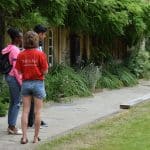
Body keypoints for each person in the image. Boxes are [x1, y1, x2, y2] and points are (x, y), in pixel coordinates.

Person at [15, 31, 48, 144]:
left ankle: (24, 137)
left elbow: (18, 71)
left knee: (25, 111)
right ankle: (35, 138)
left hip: (26, 83)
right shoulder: (40, 55)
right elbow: (45, 71)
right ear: (36, 41)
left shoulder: (21, 54)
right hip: (38, 83)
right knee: (37, 112)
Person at [2, 28, 23, 134]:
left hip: (9, 77)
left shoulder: (8, 48)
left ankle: (11, 125)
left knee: (13, 102)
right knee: (17, 103)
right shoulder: (15, 50)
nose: (22, 39)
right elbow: (16, 69)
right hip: (14, 78)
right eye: (20, 37)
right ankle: (12, 127)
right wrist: (21, 83)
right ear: (16, 38)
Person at [28, 24, 48, 128]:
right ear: (40, 34)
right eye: (44, 34)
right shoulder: (35, 47)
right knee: (36, 99)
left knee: (32, 99)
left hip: (30, 77)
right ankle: (34, 120)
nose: (44, 37)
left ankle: (33, 119)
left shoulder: (37, 45)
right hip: (36, 76)